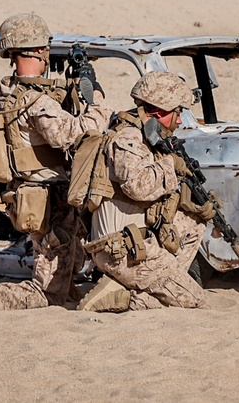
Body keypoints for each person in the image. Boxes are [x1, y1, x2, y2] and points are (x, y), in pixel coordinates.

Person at [0, 13, 112, 311]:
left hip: (36, 196)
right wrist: (99, 102)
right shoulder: (35, 102)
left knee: (65, 275)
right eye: (45, 49)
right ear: (38, 51)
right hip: (49, 201)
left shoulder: (11, 93)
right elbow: (76, 134)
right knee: (48, 294)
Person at [78, 70, 209, 312]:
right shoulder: (128, 137)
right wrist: (171, 165)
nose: (179, 121)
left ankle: (156, 281)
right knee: (194, 301)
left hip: (135, 239)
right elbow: (137, 186)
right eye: (177, 112)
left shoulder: (146, 135)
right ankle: (124, 296)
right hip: (121, 249)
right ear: (160, 110)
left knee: (194, 221)